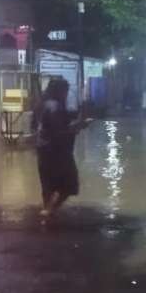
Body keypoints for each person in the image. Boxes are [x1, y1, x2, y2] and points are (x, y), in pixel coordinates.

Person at [34, 78, 86, 217]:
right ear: (60, 91)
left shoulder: (42, 104)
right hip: (56, 151)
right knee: (70, 185)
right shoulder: (55, 106)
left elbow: (41, 127)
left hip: (42, 149)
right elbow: (59, 132)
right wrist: (77, 127)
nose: (66, 95)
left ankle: (47, 209)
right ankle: (50, 210)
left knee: (47, 184)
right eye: (65, 91)